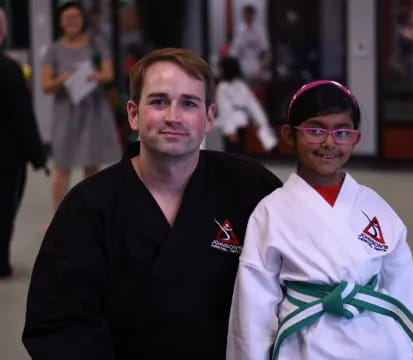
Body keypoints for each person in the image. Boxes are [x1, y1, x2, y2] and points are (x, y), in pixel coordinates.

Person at [22, 47, 282, 359]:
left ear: (209, 117)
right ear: (133, 113)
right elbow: (56, 324)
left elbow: (295, 281)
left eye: (189, 103)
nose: (173, 117)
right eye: (159, 102)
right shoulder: (88, 207)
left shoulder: (250, 188)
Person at [226, 80, 413, 359]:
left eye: (342, 132)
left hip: (377, 342)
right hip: (306, 344)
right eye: (315, 130)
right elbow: (253, 307)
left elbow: (402, 293)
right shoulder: (271, 212)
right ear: (288, 135)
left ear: (355, 138)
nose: (329, 142)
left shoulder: (374, 206)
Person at [42, 1, 121, 214]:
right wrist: (63, 78)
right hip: (66, 112)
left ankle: (92, 213)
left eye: (76, 17)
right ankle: (58, 216)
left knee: (92, 163)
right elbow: (46, 86)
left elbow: (109, 73)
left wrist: (95, 76)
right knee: (62, 165)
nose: (72, 22)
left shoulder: (96, 43)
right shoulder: (54, 50)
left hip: (92, 109)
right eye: (67, 18)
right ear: (60, 22)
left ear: (83, 20)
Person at [0, 7, 47, 278]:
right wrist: (37, 155)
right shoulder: (9, 69)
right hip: (5, 158)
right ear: (3, 32)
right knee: (4, 208)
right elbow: (22, 116)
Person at [216, 56, 277, 154]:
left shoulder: (240, 85)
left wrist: (260, 121)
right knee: (231, 155)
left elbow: (253, 105)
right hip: (232, 126)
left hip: (242, 123)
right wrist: (230, 130)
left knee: (240, 154)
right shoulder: (223, 87)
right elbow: (225, 111)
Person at [229, 4, 271, 83]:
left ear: (253, 15)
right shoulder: (239, 29)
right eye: (245, 15)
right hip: (241, 67)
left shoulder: (260, 30)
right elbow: (234, 51)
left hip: (257, 67)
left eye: (249, 15)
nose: (247, 17)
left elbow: (265, 49)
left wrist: (264, 66)